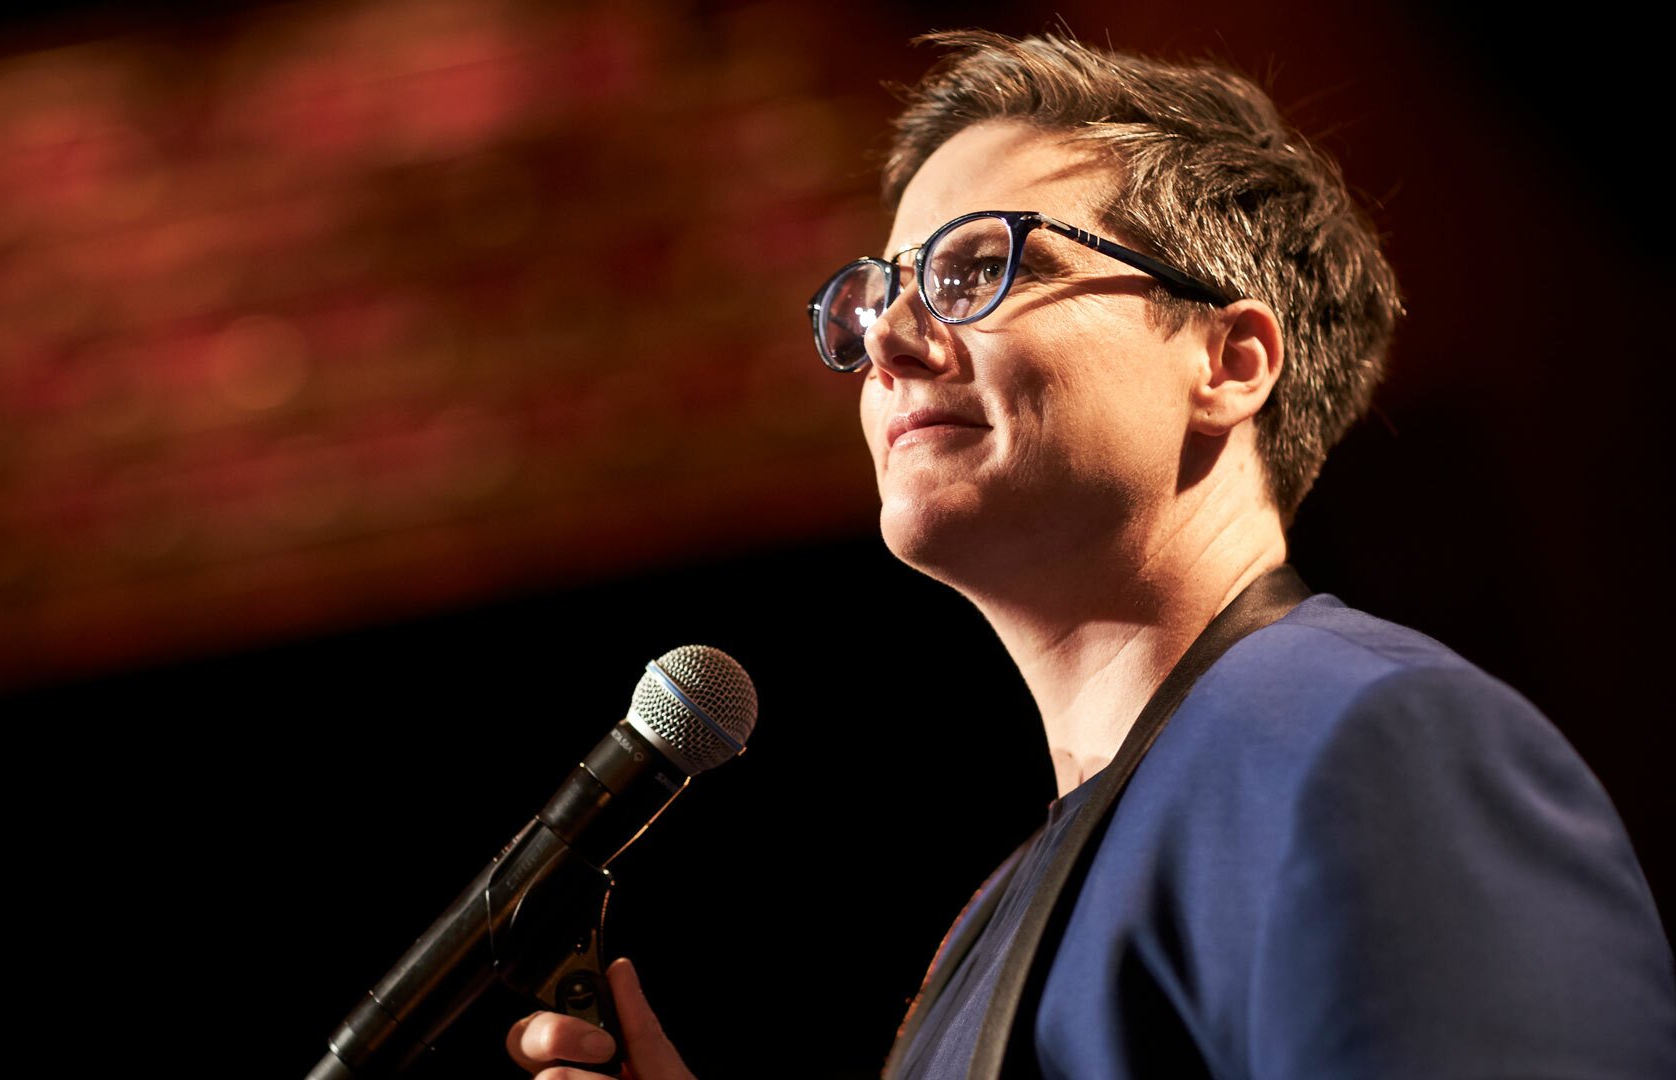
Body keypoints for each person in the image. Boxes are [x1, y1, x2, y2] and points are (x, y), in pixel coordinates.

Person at [506, 31, 1676, 1079]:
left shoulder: (1368, 741)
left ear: (1229, 362)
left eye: (975, 269)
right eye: (874, 302)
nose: (893, 345)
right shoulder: (1008, 904)